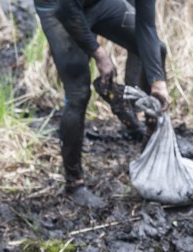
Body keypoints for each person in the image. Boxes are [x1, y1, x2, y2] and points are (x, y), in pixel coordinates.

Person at [34, 0, 170, 208]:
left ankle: (150, 144)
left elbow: (146, 27)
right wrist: (100, 54)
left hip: (96, 3)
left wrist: (158, 83)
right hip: (58, 7)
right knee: (78, 93)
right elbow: (67, 9)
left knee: (156, 50)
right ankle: (74, 184)